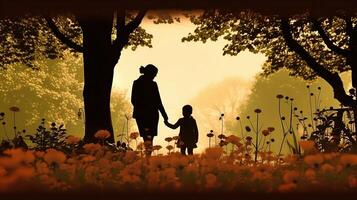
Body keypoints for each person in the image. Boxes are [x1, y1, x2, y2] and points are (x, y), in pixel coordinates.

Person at [131, 64, 168, 155]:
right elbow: (158, 101)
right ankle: (148, 157)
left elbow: (133, 100)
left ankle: (148, 157)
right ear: (149, 73)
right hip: (150, 114)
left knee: (147, 137)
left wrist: (164, 115)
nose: (155, 76)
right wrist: (164, 115)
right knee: (149, 137)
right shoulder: (151, 84)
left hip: (143, 115)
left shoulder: (137, 83)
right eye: (154, 74)